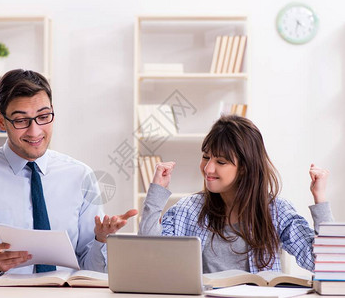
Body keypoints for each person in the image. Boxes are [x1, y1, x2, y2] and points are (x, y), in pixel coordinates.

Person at [0, 69, 137, 281]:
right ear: (1, 121)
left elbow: (91, 271)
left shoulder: (80, 176)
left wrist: (101, 239)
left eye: (43, 117)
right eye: (21, 120)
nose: (35, 132)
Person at [139, 115, 333, 273]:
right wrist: (157, 194)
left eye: (221, 162)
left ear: (244, 168)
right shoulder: (187, 210)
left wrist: (320, 198)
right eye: (206, 157)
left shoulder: (277, 211)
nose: (208, 168)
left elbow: (324, 264)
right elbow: (150, 259)